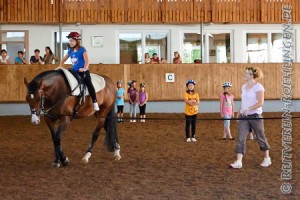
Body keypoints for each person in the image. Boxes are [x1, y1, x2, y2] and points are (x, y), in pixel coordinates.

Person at [230, 67, 271, 169]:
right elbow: (244, 102)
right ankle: (239, 161)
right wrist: (239, 112)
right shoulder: (243, 86)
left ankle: (267, 158)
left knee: (260, 137)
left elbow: (260, 102)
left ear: (252, 75)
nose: (245, 75)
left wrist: (249, 108)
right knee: (241, 138)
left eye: (246, 73)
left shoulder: (258, 87)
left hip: (255, 116)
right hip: (244, 117)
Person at [60, 32, 100, 111]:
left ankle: (95, 102)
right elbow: (64, 59)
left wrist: (84, 68)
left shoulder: (82, 49)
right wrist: (60, 66)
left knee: (89, 84)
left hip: (83, 71)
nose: (70, 42)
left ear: (76, 41)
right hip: (74, 71)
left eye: (72, 41)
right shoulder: (70, 50)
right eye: (69, 41)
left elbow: (87, 60)